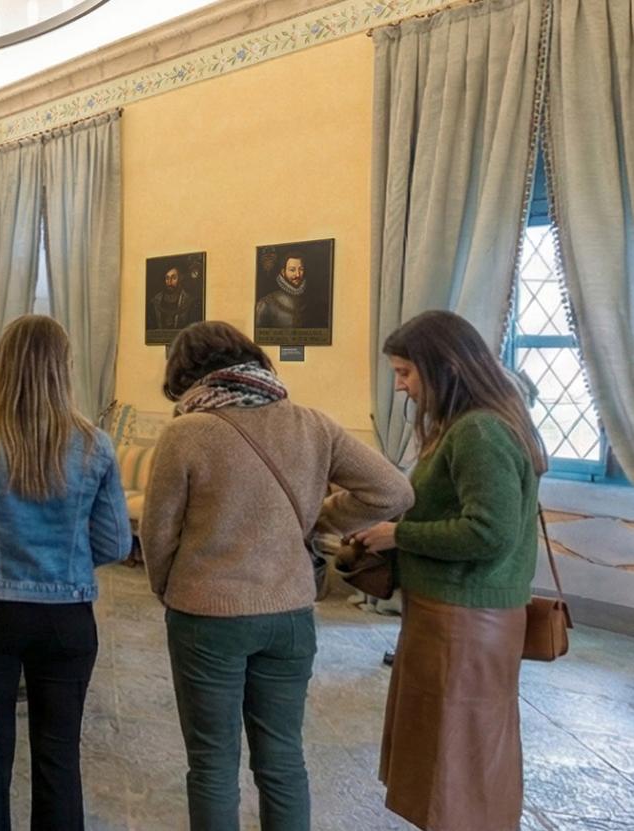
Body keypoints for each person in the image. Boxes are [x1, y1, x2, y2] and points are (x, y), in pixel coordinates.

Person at [139, 321, 412, 831]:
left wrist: (165, 586)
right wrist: (314, 520)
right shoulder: (311, 423)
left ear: (186, 372)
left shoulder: (185, 431)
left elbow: (158, 531)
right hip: (288, 613)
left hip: (207, 614)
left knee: (213, 764)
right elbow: (393, 492)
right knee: (283, 761)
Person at [0, 315, 133, 831]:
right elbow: (115, 543)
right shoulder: (95, 446)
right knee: (59, 757)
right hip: (67, 620)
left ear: (2, 368)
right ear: (64, 370)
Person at [350, 310, 546, 831]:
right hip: (459, 612)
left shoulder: (480, 431)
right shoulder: (476, 424)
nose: (402, 387)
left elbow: (489, 532)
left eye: (406, 373)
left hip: (465, 619)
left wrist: (400, 534)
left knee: (458, 751)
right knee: (457, 745)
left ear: (447, 368)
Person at [253, 254, 307, 330]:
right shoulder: (266, 303)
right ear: (283, 272)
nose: (297, 274)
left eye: (301, 269)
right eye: (292, 270)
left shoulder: (312, 301)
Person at [150, 266, 196, 330]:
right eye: (167, 278)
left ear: (180, 279)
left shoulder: (188, 300)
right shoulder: (156, 300)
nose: (169, 282)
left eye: (174, 278)